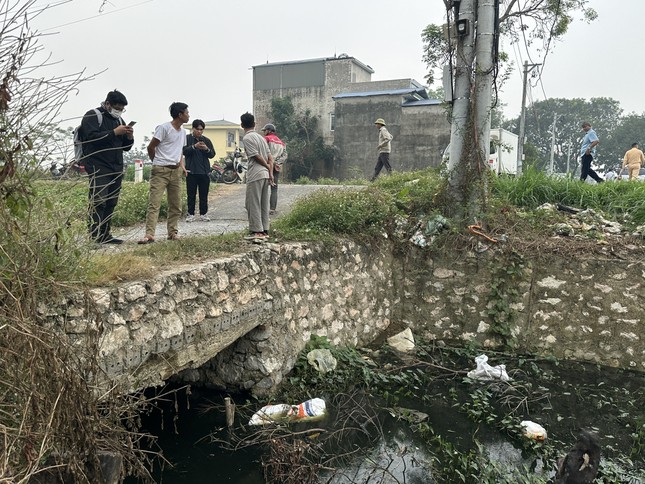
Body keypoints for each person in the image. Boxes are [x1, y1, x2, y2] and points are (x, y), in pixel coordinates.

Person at [81, 90, 133, 244]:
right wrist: (113, 132)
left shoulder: (119, 120)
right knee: (98, 201)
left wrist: (129, 136)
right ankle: (94, 236)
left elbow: (126, 147)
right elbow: (90, 138)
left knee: (111, 202)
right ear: (108, 104)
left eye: (122, 109)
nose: (120, 111)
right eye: (117, 108)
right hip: (98, 166)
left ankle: (105, 235)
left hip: (116, 167)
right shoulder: (92, 115)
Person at [138, 102, 189, 244]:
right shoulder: (164, 128)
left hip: (176, 171)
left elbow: (180, 151)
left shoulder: (183, 132)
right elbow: (151, 147)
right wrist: (157, 161)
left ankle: (172, 232)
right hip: (160, 170)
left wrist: (181, 165)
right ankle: (149, 234)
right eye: (187, 112)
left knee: (176, 204)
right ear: (180, 114)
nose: (188, 115)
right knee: (154, 203)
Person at [240, 112, 273, 240]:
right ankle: (265, 230)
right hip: (265, 175)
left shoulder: (247, 138)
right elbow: (270, 157)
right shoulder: (261, 138)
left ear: (242, 125)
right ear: (254, 124)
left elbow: (256, 156)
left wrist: (265, 166)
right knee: (264, 204)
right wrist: (270, 172)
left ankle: (256, 232)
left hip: (256, 174)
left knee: (252, 203)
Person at [183, 119, 216, 222]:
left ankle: (203, 214)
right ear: (193, 128)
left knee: (204, 194)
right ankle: (190, 214)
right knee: (191, 194)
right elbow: (183, 151)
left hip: (204, 172)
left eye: (202, 130)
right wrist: (194, 147)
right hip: (191, 171)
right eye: (197, 129)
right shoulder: (186, 139)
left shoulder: (206, 140)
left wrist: (206, 149)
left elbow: (212, 154)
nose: (200, 132)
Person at [261, 123, 287, 215]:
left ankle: (260, 208)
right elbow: (285, 155)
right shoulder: (281, 142)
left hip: (266, 166)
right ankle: (272, 209)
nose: (264, 132)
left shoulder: (266, 139)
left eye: (265, 130)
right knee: (274, 188)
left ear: (268, 130)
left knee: (261, 187)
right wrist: (278, 163)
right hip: (276, 167)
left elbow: (263, 152)